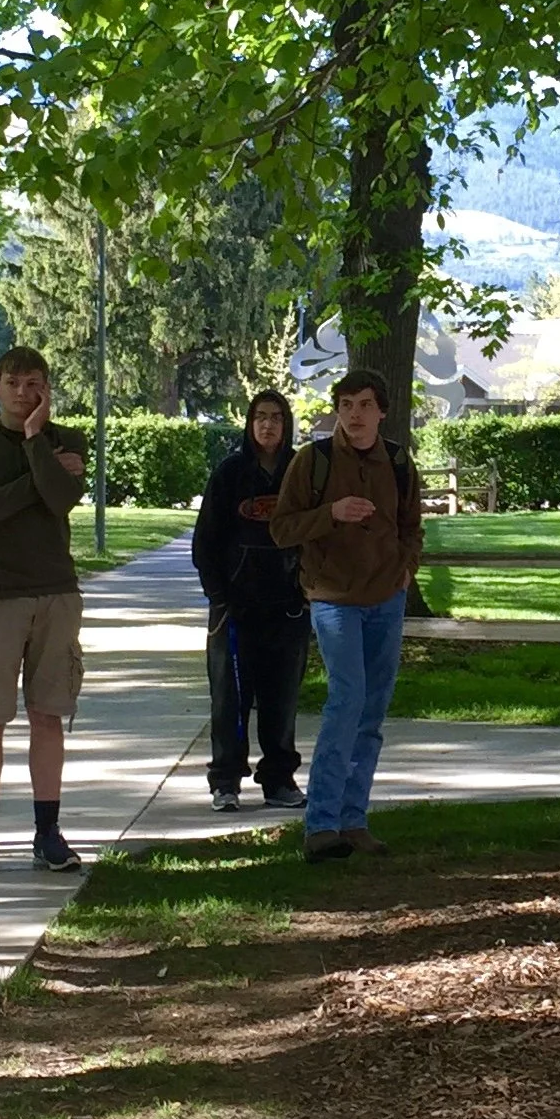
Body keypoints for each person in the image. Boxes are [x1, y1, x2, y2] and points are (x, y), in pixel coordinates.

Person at [270, 368, 425, 863]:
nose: (353, 415)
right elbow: (281, 528)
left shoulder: (399, 461)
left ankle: (354, 820)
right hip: (333, 597)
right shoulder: (310, 461)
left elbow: (412, 526)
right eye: (345, 405)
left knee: (373, 712)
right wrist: (330, 514)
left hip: (386, 599)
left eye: (363, 405)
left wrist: (406, 569)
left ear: (381, 411)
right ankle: (320, 824)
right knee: (346, 700)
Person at [0, 345, 87, 877]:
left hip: (56, 591)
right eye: (14, 382)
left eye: (35, 384)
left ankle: (47, 832)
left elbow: (60, 501)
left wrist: (36, 443)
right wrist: (38, 471)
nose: (24, 393)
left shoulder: (66, 439)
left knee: (48, 715)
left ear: (46, 388)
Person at [192, 390, 310, 814]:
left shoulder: (302, 471)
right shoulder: (229, 473)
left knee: (281, 700)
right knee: (229, 699)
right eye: (260, 417)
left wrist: (306, 589)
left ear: (287, 423)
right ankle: (226, 781)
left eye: (277, 418)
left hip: (288, 607)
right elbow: (204, 543)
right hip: (234, 610)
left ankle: (279, 779)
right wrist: (219, 597)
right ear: (249, 422)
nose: (268, 426)